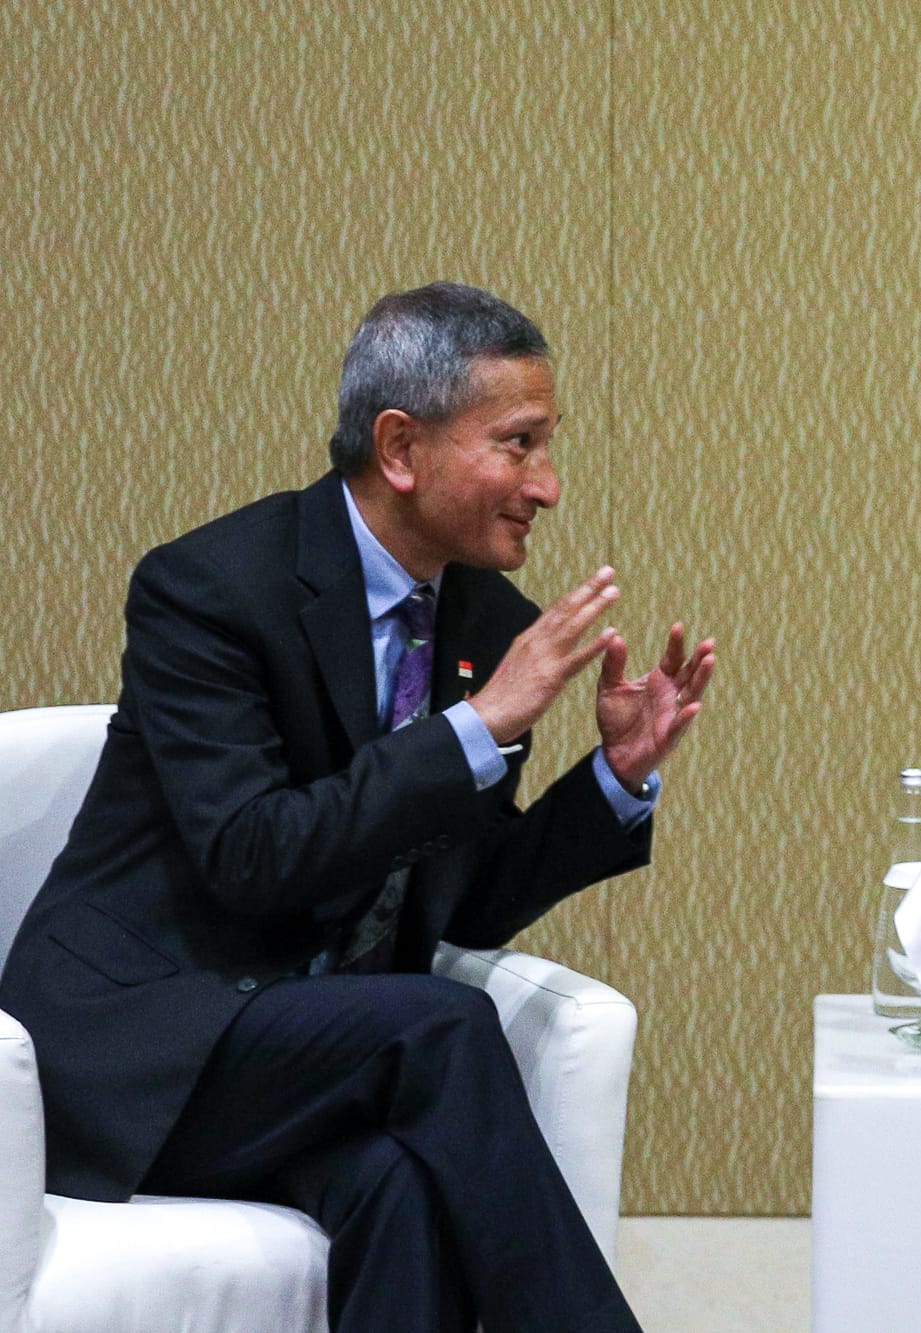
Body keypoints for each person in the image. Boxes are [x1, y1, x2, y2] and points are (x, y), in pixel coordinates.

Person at [0, 282, 716, 1332]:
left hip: (315, 1055)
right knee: (440, 1027)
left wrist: (612, 779)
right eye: (517, 445)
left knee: (396, 1187)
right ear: (398, 447)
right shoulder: (209, 589)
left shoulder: (484, 620)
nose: (548, 486)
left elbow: (461, 904)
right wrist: (474, 729)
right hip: (145, 1045)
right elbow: (252, 853)